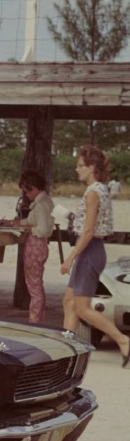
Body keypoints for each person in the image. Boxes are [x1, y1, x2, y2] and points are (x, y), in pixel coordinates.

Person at [60, 145, 130, 367]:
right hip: (92, 249)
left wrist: (71, 256)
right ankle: (67, 348)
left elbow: (89, 230)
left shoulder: (93, 192)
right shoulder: (102, 189)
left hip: (89, 250)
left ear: (91, 168)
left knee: (81, 307)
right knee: (69, 302)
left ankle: (122, 339)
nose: (76, 169)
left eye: (80, 165)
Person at [0, 170, 54, 324]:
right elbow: (30, 221)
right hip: (39, 246)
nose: (25, 194)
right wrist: (11, 222)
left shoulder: (41, 205)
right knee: (36, 284)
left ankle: (34, 320)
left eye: (26, 190)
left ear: (33, 188)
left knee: (34, 287)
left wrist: (29, 229)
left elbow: (42, 230)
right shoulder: (44, 202)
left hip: (35, 245)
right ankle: (37, 319)